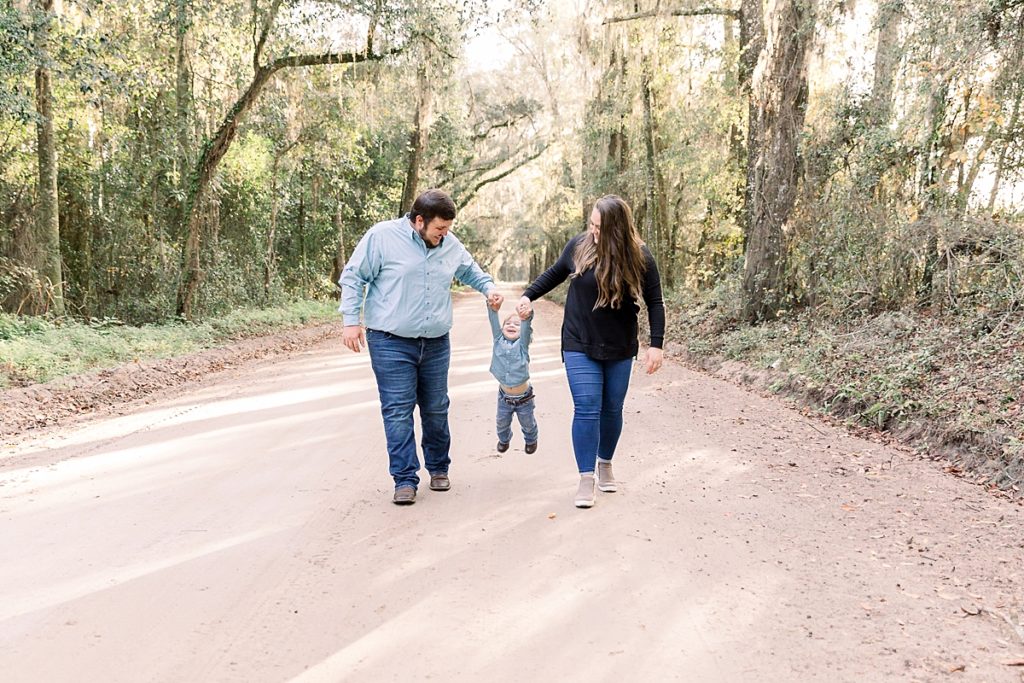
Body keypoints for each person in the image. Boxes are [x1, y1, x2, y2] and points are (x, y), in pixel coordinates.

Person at [339, 189, 503, 505]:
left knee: (436, 407)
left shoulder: (449, 244)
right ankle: (404, 479)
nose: (444, 235)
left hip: (436, 342)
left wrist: (490, 289)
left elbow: (471, 271)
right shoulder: (382, 238)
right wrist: (350, 320)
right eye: (439, 229)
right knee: (398, 410)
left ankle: (439, 468)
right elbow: (353, 276)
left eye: (447, 229)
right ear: (419, 221)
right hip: (390, 341)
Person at [517, 195, 664, 508]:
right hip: (579, 340)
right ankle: (586, 477)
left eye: (599, 227)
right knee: (586, 405)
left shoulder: (639, 256)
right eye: (591, 225)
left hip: (620, 344)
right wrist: (528, 296)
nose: (593, 231)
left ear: (617, 229)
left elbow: (655, 302)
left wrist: (657, 345)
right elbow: (554, 273)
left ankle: (605, 463)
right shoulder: (579, 246)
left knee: (611, 408)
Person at [486, 300, 538, 455]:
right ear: (502, 328)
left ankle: (531, 439)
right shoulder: (498, 340)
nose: (511, 325)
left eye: (516, 324)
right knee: (501, 423)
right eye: (507, 323)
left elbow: (526, 328)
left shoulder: (522, 345)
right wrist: (492, 308)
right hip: (504, 398)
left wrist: (526, 317)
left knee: (528, 424)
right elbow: (493, 320)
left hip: (524, 399)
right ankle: (504, 439)